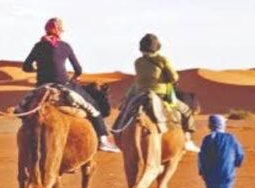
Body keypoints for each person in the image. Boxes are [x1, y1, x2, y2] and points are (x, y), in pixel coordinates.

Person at [22, 17, 120, 152]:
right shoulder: (65, 46)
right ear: (59, 31)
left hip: (42, 85)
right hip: (63, 84)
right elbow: (78, 69)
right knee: (93, 109)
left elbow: (26, 67)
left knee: (22, 109)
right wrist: (75, 78)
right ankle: (103, 140)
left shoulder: (38, 46)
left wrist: (38, 68)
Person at [127, 33, 199, 152]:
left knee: (125, 110)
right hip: (161, 95)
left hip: (140, 94)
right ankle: (187, 140)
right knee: (186, 111)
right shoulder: (162, 60)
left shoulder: (137, 62)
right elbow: (174, 78)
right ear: (157, 47)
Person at [198, 115, 244, 188]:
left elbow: (201, 157)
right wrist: (237, 164)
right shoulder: (230, 138)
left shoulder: (207, 139)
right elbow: (240, 154)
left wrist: (202, 171)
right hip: (226, 172)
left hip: (209, 173)